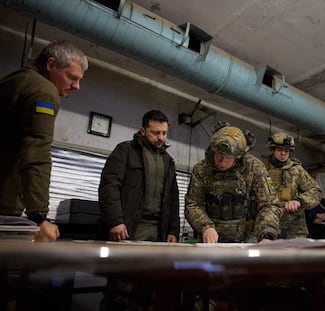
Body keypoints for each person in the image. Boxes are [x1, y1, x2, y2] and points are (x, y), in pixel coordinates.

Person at [0, 40, 88, 242]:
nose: (76, 86)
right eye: (71, 77)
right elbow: (36, 152)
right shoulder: (43, 90)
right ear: (50, 64)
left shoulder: (14, 80)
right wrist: (39, 217)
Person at [185, 122, 282, 244]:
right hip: (211, 239)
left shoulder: (254, 168)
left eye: (228, 157)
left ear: (238, 157)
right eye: (219, 154)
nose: (221, 161)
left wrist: (267, 235)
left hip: (247, 240)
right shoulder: (201, 169)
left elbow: (270, 205)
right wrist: (206, 227)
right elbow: (193, 204)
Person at [98, 109, 180, 242]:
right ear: (143, 131)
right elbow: (109, 186)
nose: (161, 137)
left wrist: (173, 230)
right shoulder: (125, 151)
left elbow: (173, 199)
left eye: (164, 133)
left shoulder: (168, 161)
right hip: (129, 228)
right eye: (156, 133)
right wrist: (115, 220)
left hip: (159, 231)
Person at [264, 132, 322, 239]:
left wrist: (299, 201)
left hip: (294, 224)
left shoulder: (297, 170)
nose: (283, 153)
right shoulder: (263, 170)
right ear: (272, 150)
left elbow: (316, 192)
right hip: (268, 222)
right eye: (279, 150)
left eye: (286, 151)